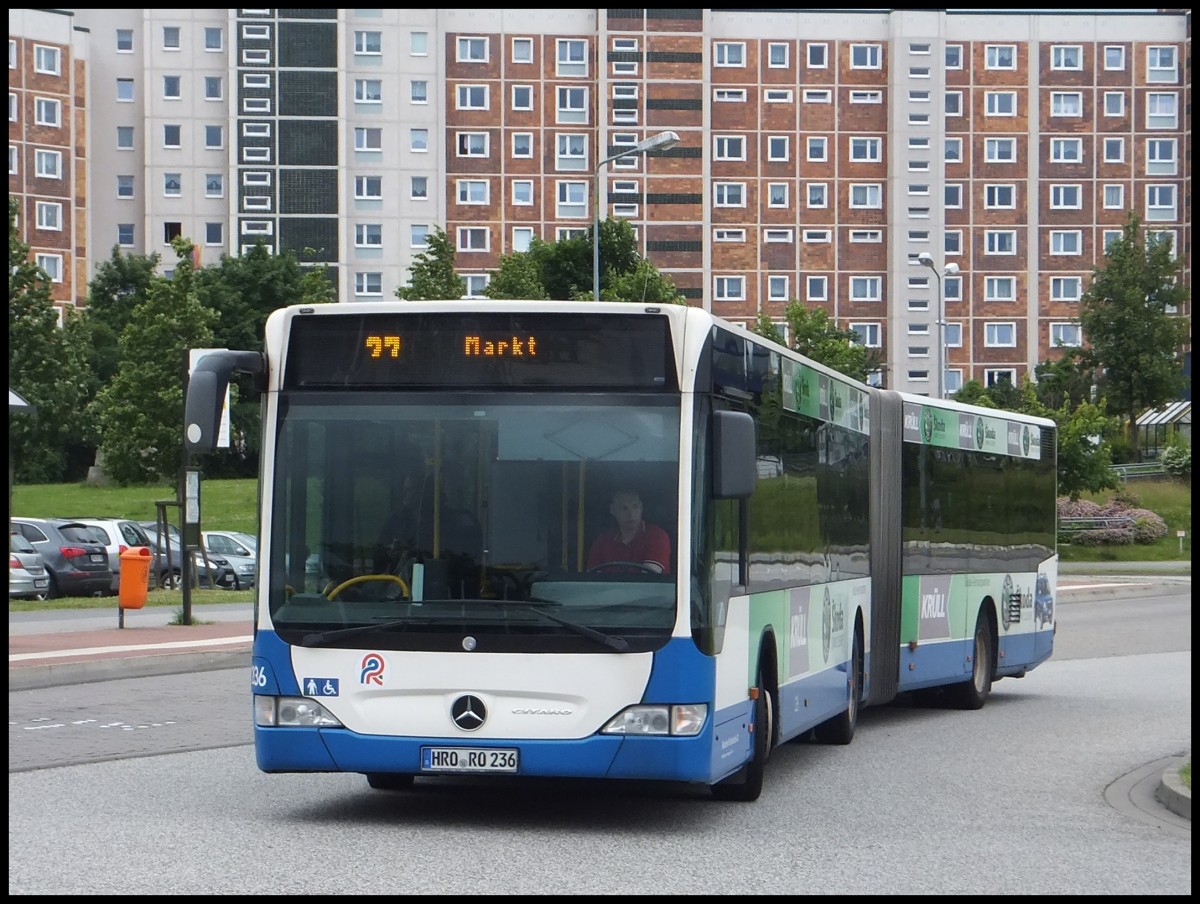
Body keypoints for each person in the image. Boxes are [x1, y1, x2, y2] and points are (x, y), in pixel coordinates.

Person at [586, 487, 672, 575]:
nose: (631, 514)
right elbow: (592, 579)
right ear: (612, 510)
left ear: (641, 508)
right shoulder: (602, 541)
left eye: (635, 506)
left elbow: (648, 578)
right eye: (624, 508)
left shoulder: (657, 537)